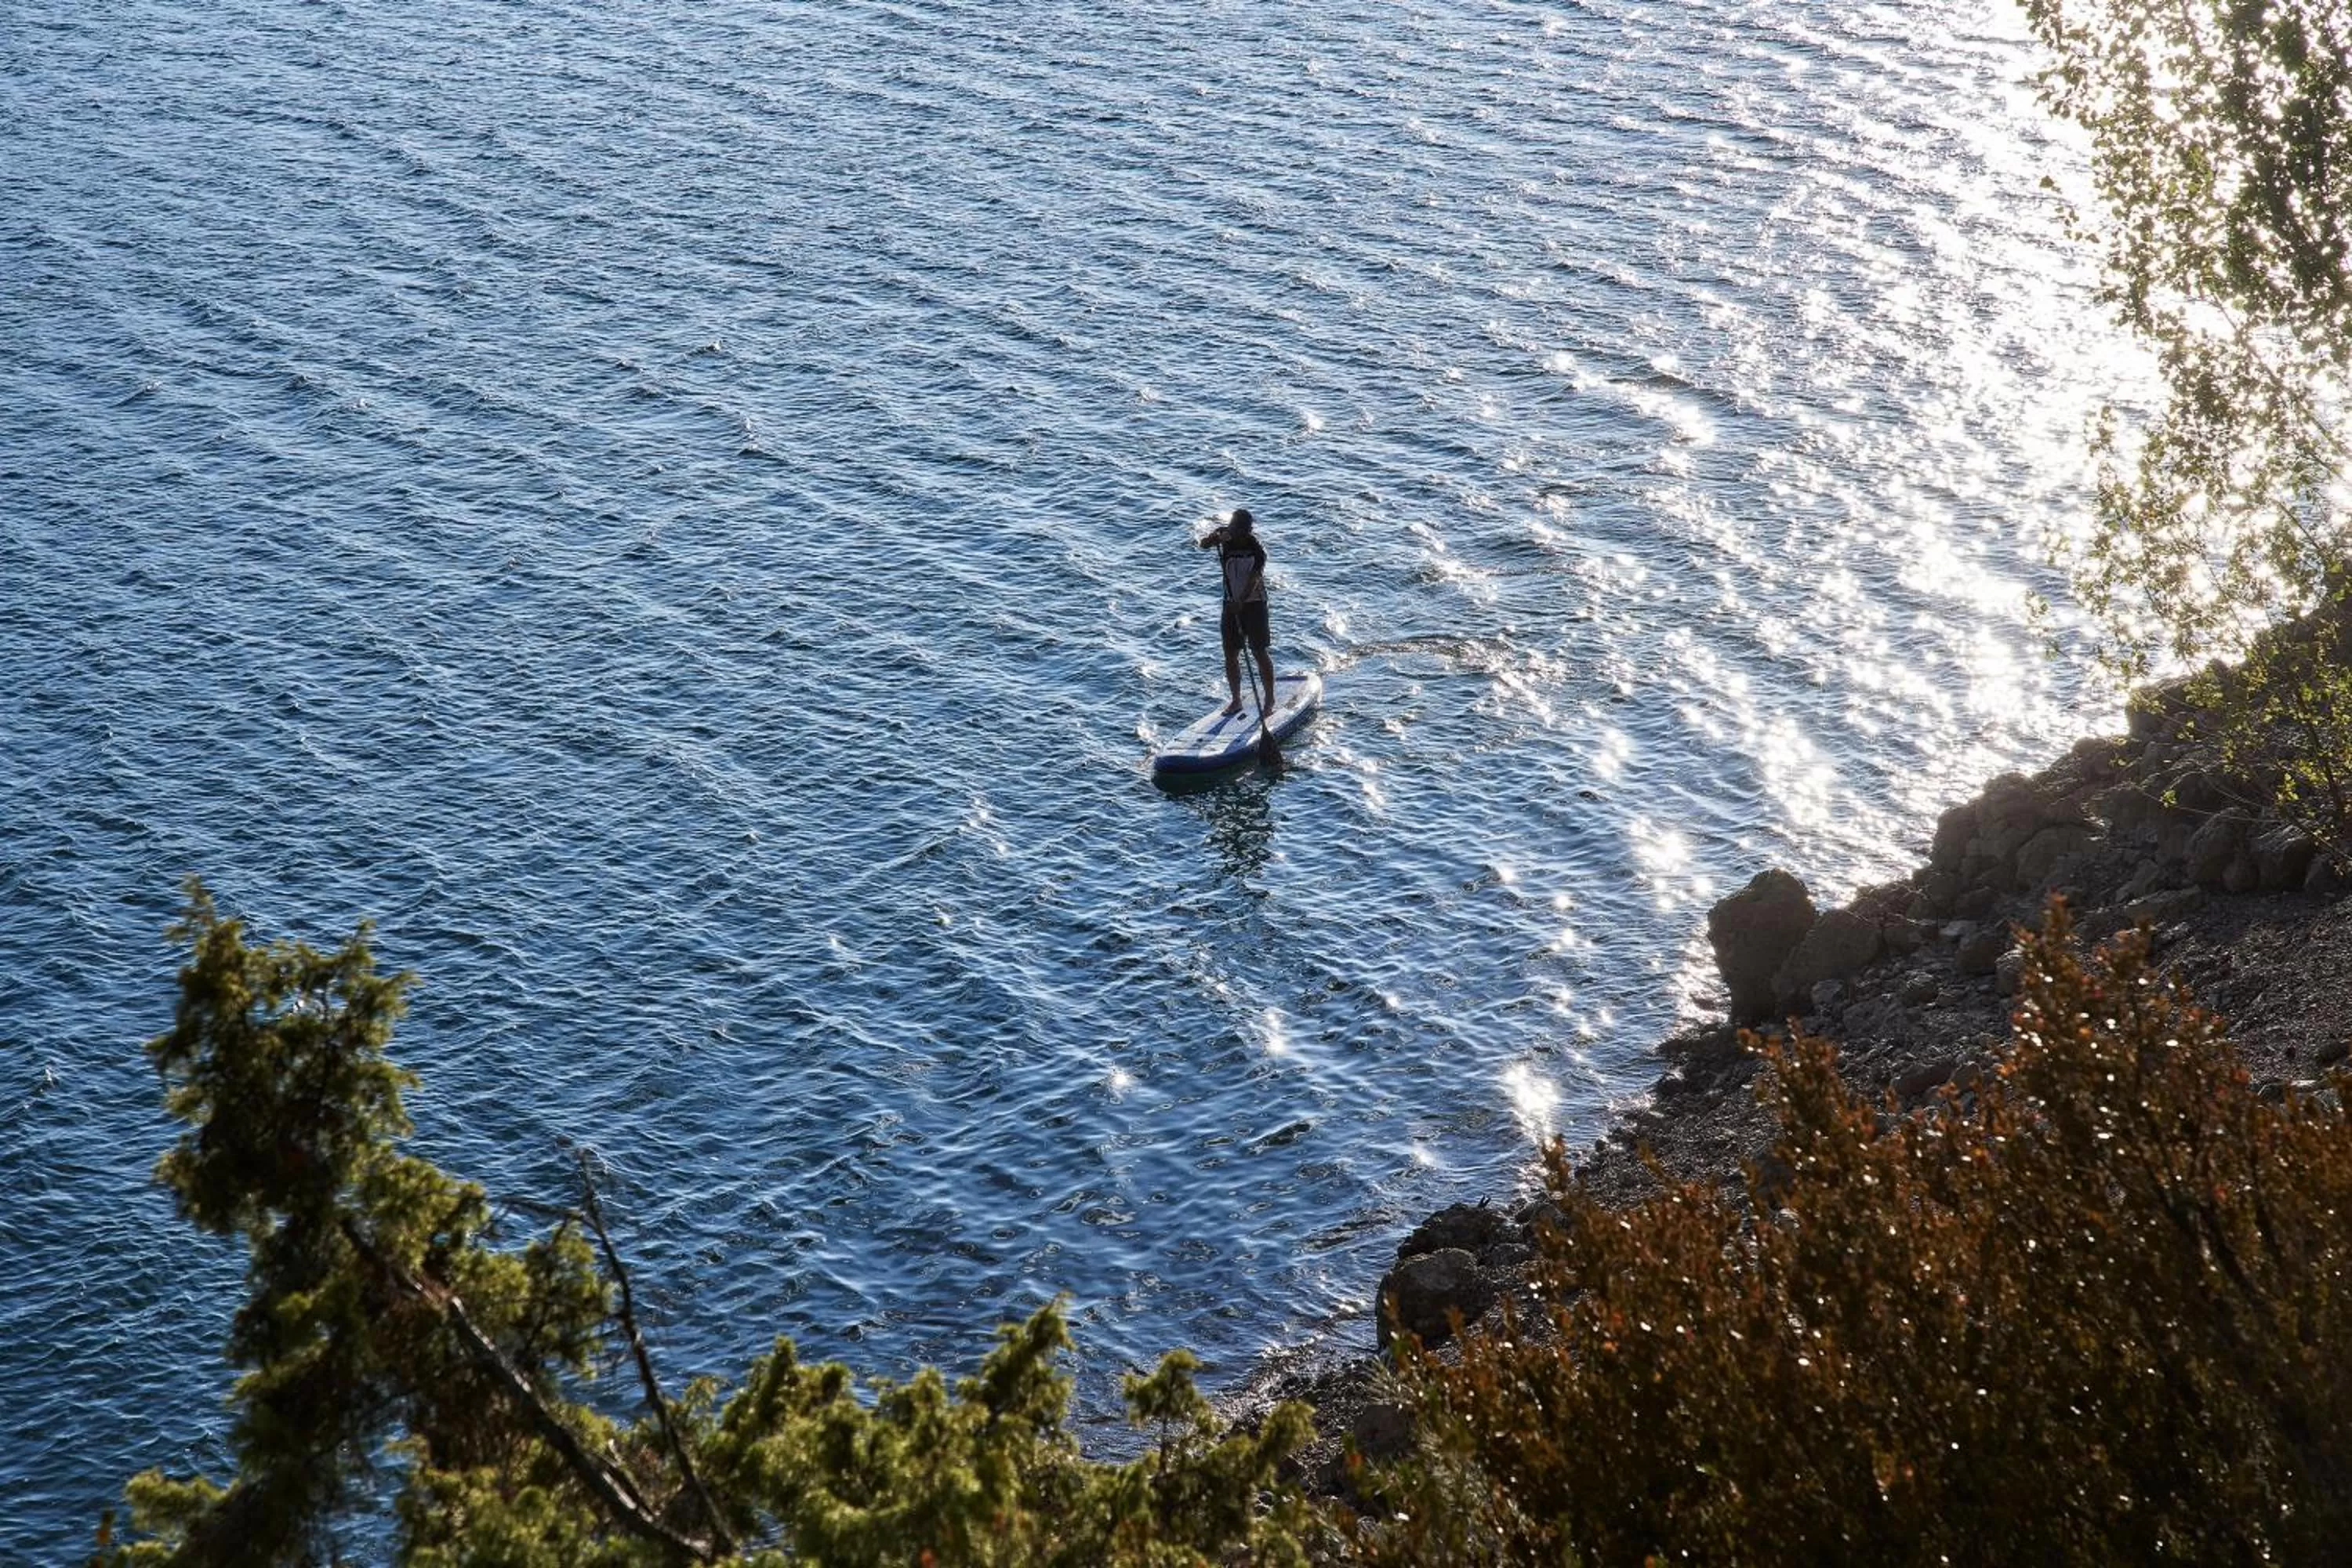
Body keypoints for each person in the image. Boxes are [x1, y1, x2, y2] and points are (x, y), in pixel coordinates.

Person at [1199, 508, 1276, 716]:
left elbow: (1254, 579)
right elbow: (1203, 545)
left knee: (1258, 651)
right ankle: (1236, 700)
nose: (1233, 533)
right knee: (1230, 653)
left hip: (1255, 604)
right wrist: (1214, 539)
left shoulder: (1257, 551)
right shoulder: (1225, 535)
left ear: (1247, 531)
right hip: (1230, 603)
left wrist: (1241, 601)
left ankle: (1269, 701)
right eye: (1231, 528)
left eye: (1237, 530)